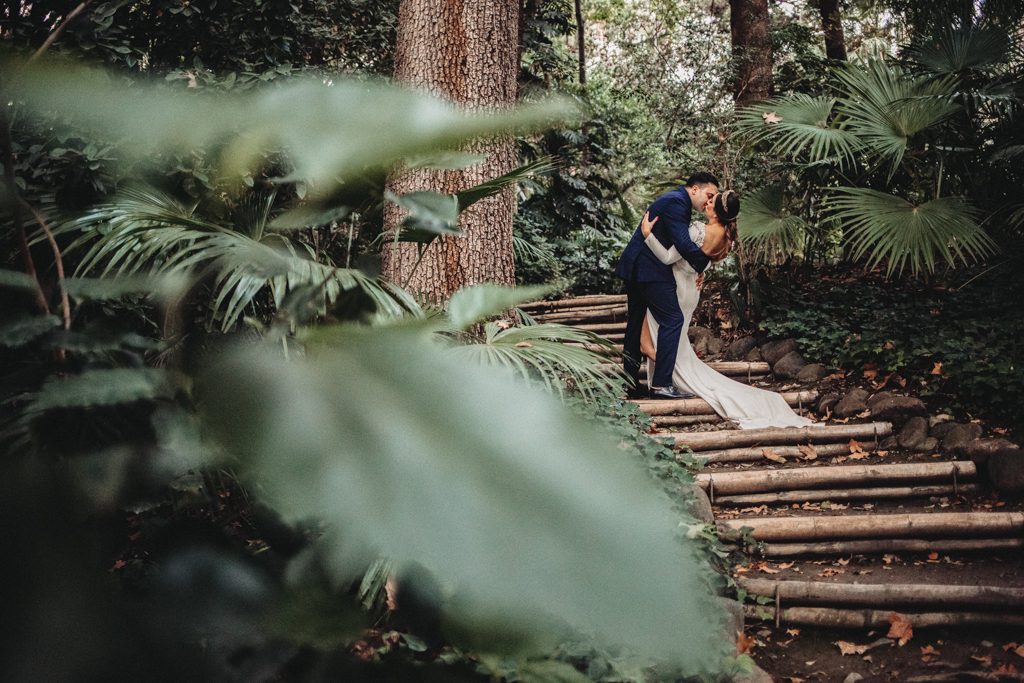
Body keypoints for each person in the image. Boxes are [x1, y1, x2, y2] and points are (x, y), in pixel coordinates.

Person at [638, 191, 815, 429]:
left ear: (715, 209)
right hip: (691, 290)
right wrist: (699, 272)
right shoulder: (725, 237)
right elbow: (702, 262)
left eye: (710, 201)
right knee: (673, 340)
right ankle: (663, 378)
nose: (706, 202)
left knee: (664, 336)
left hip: (676, 287)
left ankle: (664, 379)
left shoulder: (699, 230)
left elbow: (669, 257)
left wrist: (648, 235)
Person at [615, 172, 719, 399]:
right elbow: (682, 243)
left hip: (640, 268)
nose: (708, 202)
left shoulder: (676, 201)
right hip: (649, 271)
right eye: (708, 195)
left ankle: (629, 384)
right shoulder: (677, 203)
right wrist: (703, 264)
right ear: (694, 189)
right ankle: (661, 385)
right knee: (673, 320)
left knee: (635, 325)